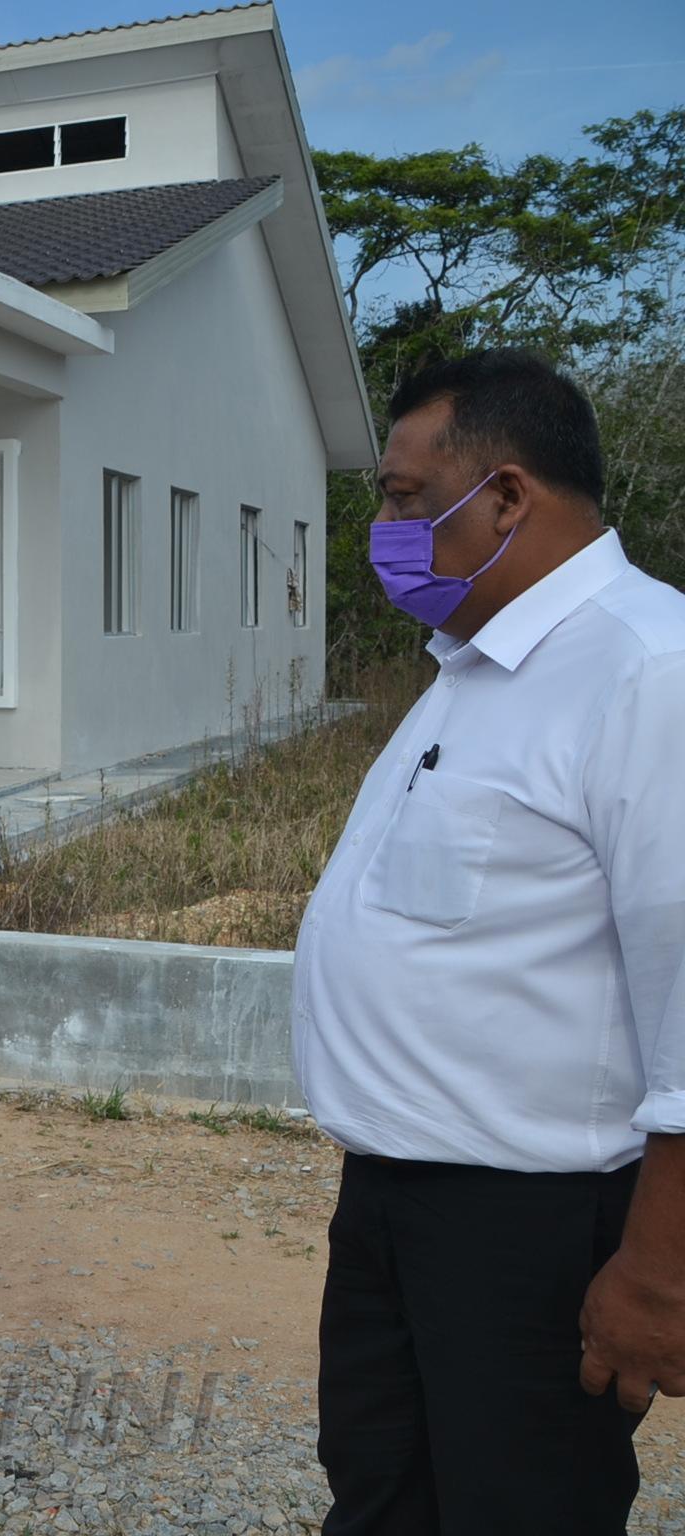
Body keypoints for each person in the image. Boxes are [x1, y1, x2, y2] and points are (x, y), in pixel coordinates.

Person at [293, 349, 685, 1534]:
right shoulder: (474, 666)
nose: (385, 531)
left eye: (406, 499)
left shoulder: (649, 670)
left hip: (530, 1230)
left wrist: (657, 1268)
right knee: (382, 1495)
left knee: (520, 1511)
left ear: (507, 496)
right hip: (394, 1199)